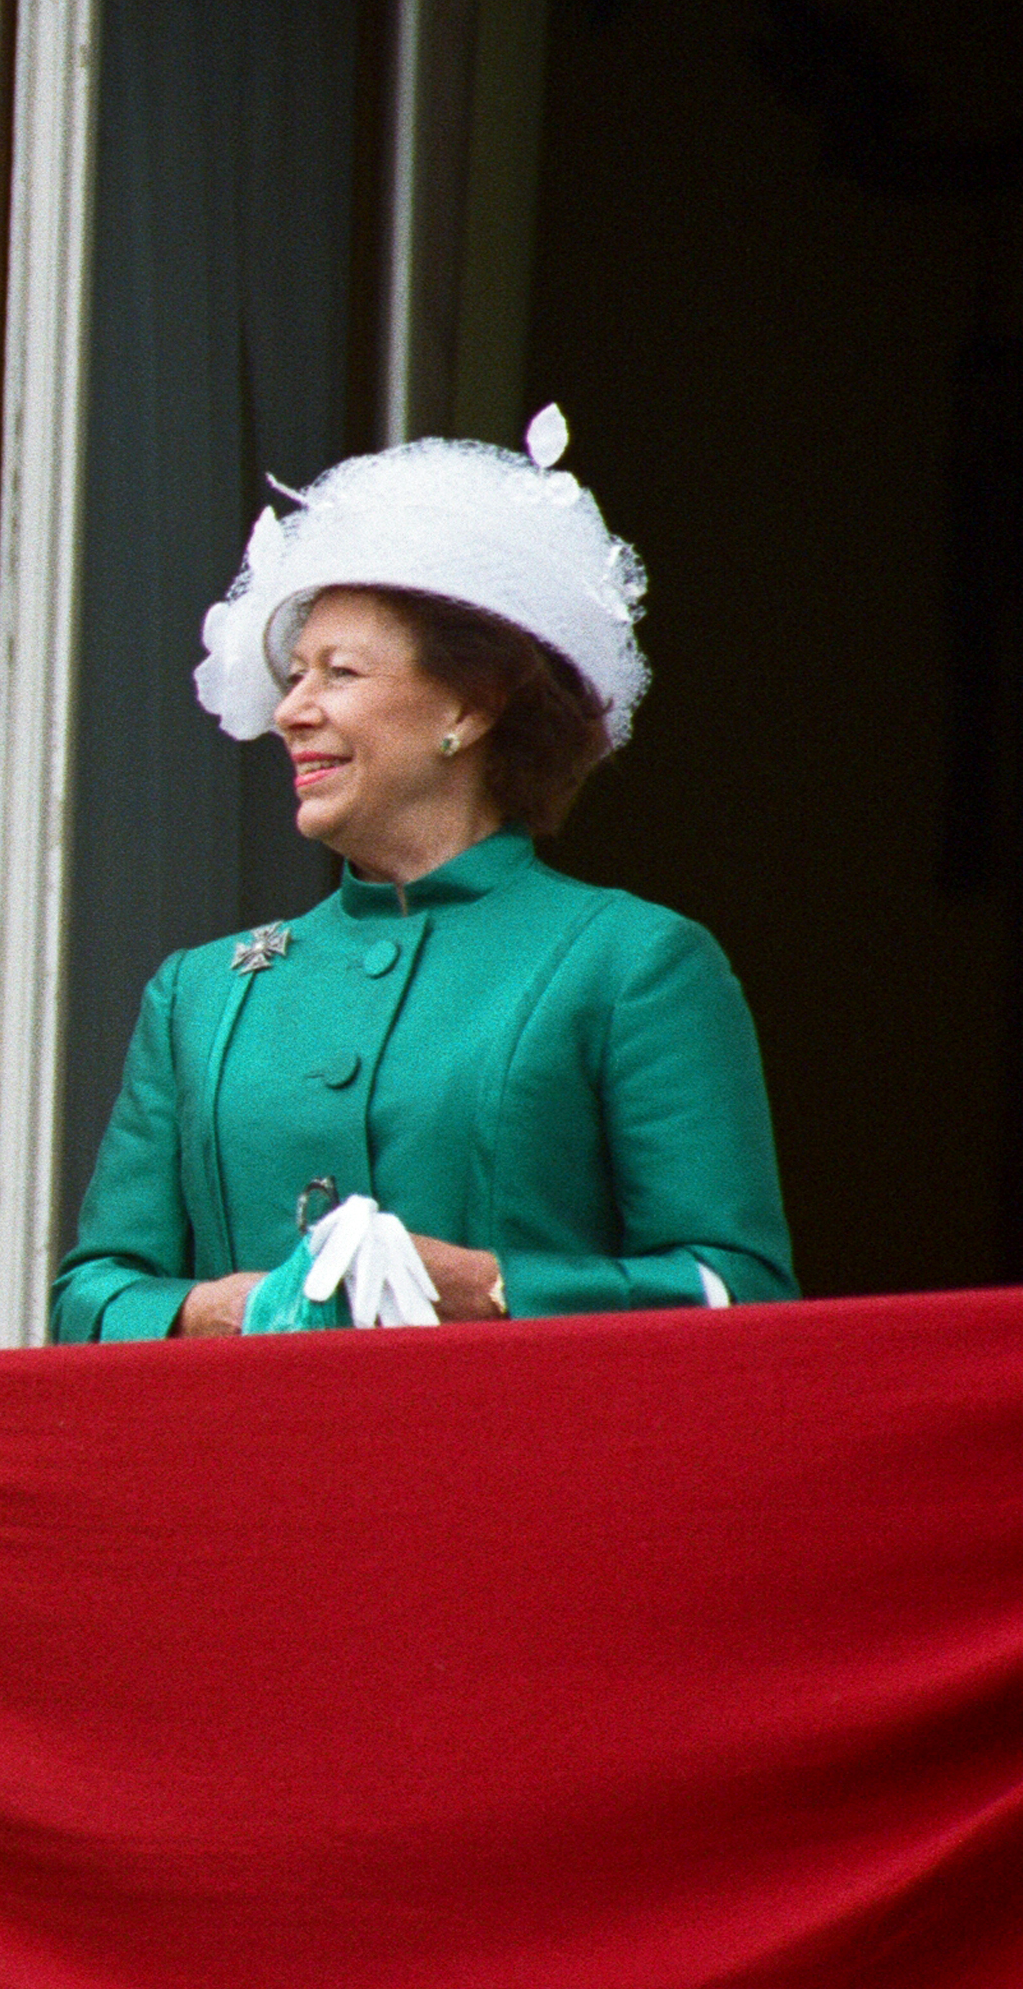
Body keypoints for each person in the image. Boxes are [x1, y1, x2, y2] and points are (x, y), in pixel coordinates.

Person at [52, 410, 796, 1341]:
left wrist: (490, 1287)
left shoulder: (632, 963)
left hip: (519, 1480)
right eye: (293, 676)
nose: (293, 711)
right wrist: (225, 1309)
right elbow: (90, 1299)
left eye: (340, 673)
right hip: (247, 1479)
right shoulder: (195, 994)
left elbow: (739, 1294)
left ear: (469, 705)